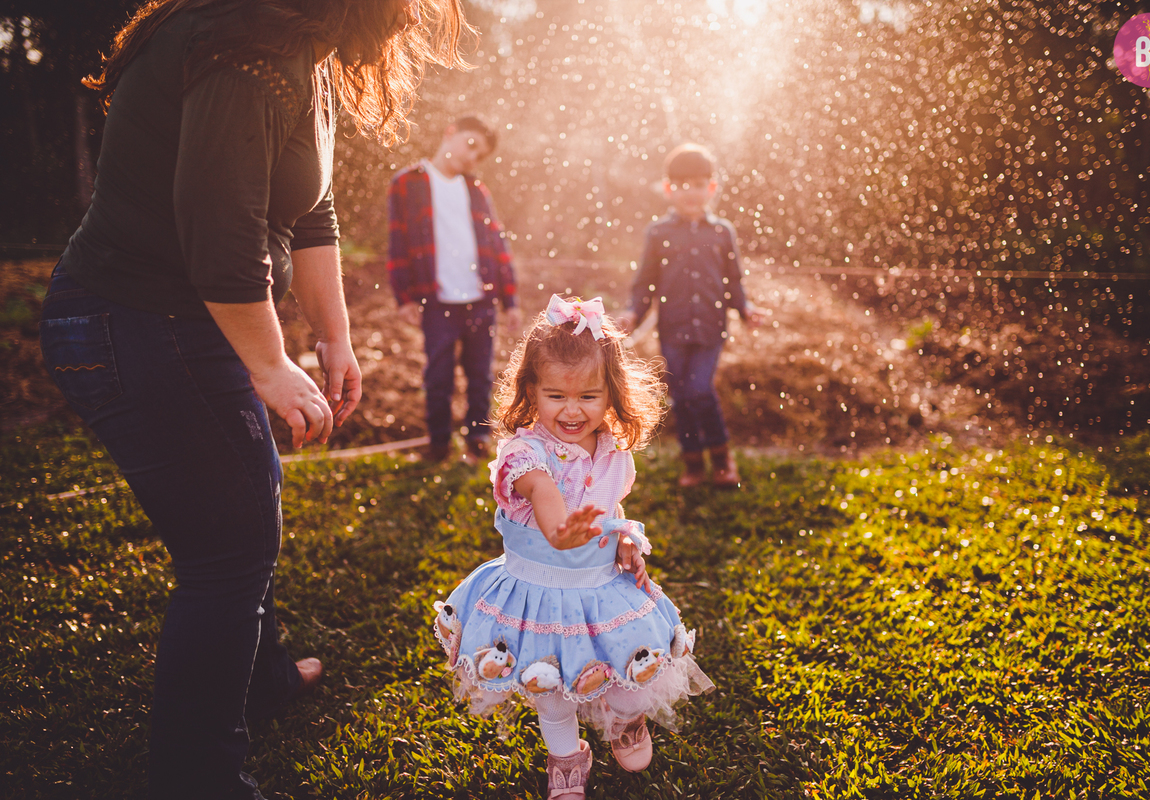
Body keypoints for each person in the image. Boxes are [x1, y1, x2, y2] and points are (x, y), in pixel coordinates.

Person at [37, 1, 467, 797]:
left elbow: (312, 212)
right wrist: (271, 365)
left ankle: (259, 678)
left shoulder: (296, 49)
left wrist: (333, 334)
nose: (411, 17)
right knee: (229, 551)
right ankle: (199, 778)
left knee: (249, 491)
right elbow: (219, 233)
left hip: (180, 320)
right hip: (137, 320)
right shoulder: (245, 51)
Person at [431, 295, 715, 800]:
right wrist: (562, 536)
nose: (572, 409)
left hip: (603, 586)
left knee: (628, 668)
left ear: (610, 395)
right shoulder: (525, 455)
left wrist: (624, 540)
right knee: (553, 686)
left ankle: (624, 721)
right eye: (556, 395)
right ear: (532, 391)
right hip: (539, 593)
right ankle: (565, 757)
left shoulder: (611, 452)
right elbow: (547, 502)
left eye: (588, 395)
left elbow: (608, 512)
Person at [621, 143, 763, 489]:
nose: (691, 193)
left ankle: (721, 458)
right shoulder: (659, 234)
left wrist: (744, 308)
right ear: (668, 189)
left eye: (699, 184)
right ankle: (693, 462)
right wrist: (632, 313)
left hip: (711, 329)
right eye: (682, 185)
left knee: (699, 388)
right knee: (681, 394)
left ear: (711, 188)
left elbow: (733, 280)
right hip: (673, 329)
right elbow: (646, 282)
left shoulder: (721, 232)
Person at [386, 115, 521, 464]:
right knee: (438, 374)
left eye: (480, 155)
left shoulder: (476, 191)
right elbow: (397, 242)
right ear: (450, 133)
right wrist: (404, 296)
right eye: (471, 144)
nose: (472, 157)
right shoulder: (407, 183)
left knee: (480, 373)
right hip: (436, 300)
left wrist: (510, 300)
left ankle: (477, 439)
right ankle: (439, 443)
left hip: (480, 299)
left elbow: (496, 243)